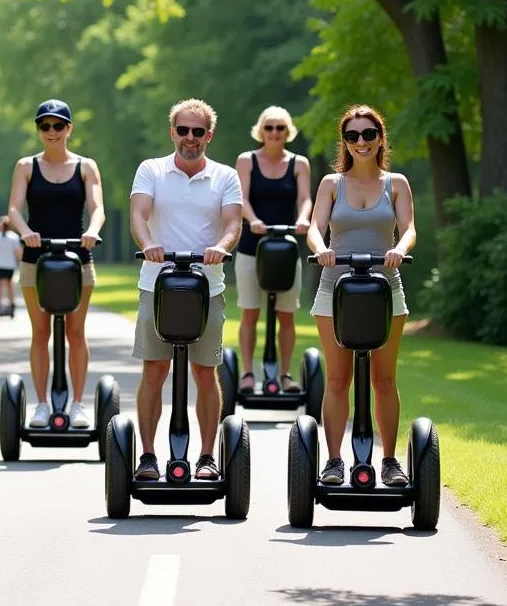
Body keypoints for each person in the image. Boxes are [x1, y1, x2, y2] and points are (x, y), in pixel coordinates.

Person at [129, 98, 242, 481]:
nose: (190, 138)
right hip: (157, 286)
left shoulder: (225, 176)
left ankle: (208, 456)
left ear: (209, 135)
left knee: (205, 373)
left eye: (198, 131)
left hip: (206, 288)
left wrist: (221, 248)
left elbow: (231, 224)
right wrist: (148, 245)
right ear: (172, 132)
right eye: (183, 130)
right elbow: (139, 214)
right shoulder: (152, 170)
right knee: (155, 370)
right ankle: (146, 455)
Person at [306, 104, 416, 488]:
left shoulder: (396, 183)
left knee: (384, 380)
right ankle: (335, 461)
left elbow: (409, 229)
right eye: (352, 136)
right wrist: (321, 248)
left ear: (380, 137)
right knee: (337, 379)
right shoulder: (331, 185)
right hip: (334, 289)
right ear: (345, 142)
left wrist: (399, 249)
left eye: (368, 134)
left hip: (386, 289)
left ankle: (388, 461)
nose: (361, 142)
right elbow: (315, 228)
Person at [7, 98, 105, 429]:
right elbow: (15, 210)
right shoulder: (26, 166)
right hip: (37, 257)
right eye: (45, 126)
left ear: (69, 129)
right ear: (38, 130)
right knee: (40, 332)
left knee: (76, 333)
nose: (52, 132)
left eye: (58, 126)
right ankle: (41, 404)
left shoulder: (86, 167)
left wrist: (92, 231)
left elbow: (97, 207)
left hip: (78, 258)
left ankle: (77, 404)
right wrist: (25, 232)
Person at [235, 105, 312, 393]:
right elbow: (241, 198)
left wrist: (304, 219)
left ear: (288, 132)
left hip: (286, 247)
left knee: (286, 315)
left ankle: (283, 375)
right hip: (252, 247)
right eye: (269, 127)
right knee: (250, 312)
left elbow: (305, 198)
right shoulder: (247, 161)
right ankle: (246, 373)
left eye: (280, 128)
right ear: (260, 131)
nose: (275, 133)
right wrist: (253, 220)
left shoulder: (299, 164)